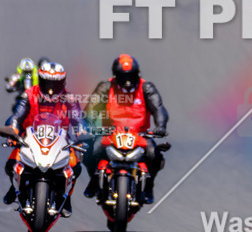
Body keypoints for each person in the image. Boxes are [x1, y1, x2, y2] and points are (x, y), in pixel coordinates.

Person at [84, 54, 169, 204]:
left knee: (154, 155)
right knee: (91, 151)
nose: (128, 81)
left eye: (131, 76)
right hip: (110, 134)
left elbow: (159, 109)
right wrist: (89, 125)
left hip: (140, 134)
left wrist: (160, 126)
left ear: (138, 74)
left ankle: (148, 186)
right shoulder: (105, 87)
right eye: (123, 77)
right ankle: (95, 179)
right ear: (116, 76)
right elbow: (91, 109)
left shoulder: (146, 88)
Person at [3, 61, 85, 217]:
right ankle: (14, 188)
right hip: (30, 138)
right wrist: (13, 129)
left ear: (63, 83)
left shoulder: (70, 98)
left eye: (56, 84)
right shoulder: (28, 94)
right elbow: (16, 116)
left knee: (76, 166)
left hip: (61, 141)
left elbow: (78, 119)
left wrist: (82, 133)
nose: (51, 89)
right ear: (40, 81)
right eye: (47, 83)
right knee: (10, 164)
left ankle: (66, 198)